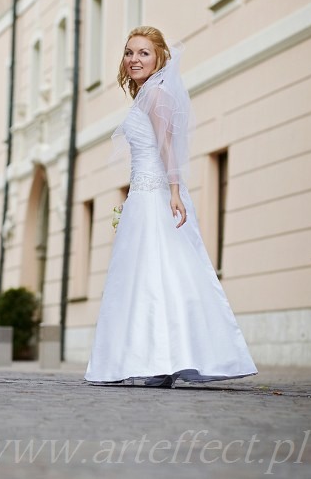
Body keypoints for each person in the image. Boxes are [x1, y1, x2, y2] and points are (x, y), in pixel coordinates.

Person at [84, 26, 257, 387]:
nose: (134, 59)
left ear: (159, 57)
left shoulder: (157, 96)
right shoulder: (146, 94)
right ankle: (155, 359)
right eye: (130, 52)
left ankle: (163, 361)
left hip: (157, 194)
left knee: (157, 273)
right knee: (146, 275)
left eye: (144, 53)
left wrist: (174, 193)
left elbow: (168, 149)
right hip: (142, 196)